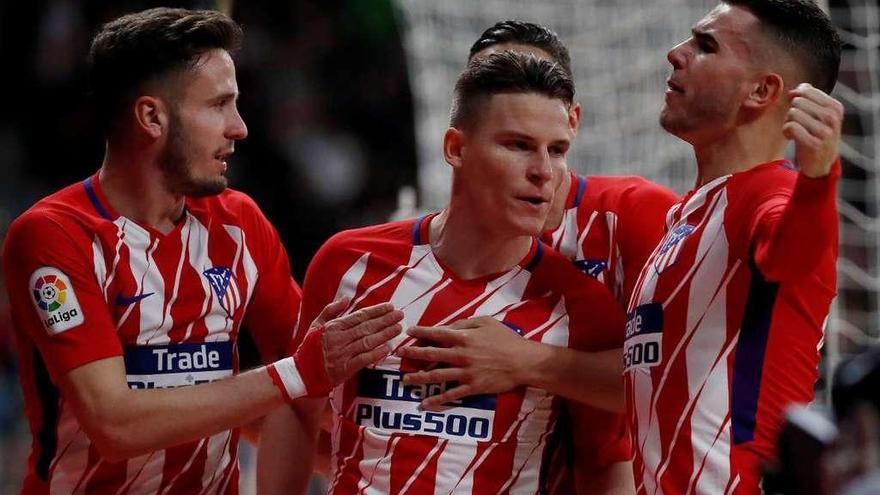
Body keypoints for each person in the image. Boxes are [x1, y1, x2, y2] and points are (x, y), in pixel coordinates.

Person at [403, 1, 843, 493]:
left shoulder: (772, 196)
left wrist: (819, 178)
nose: (675, 54)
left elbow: (796, 259)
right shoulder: (686, 215)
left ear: (761, 90)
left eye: (706, 45)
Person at [1, 8, 402, 494]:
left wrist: (391, 469)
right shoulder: (53, 235)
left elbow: (312, 391)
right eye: (219, 105)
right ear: (151, 116)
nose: (239, 127)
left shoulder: (238, 222)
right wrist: (297, 374)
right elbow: (116, 426)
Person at [258, 51, 627, 494]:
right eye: (519, 145)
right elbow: (299, 406)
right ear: (456, 148)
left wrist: (529, 363)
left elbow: (605, 460)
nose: (543, 172)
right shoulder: (349, 261)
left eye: (558, 150)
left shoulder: (580, 305)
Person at [468, 20, 679, 494]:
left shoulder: (636, 213)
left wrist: (526, 360)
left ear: (572, 119)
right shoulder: (429, 251)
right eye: (494, 81)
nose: (519, 95)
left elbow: (671, 376)